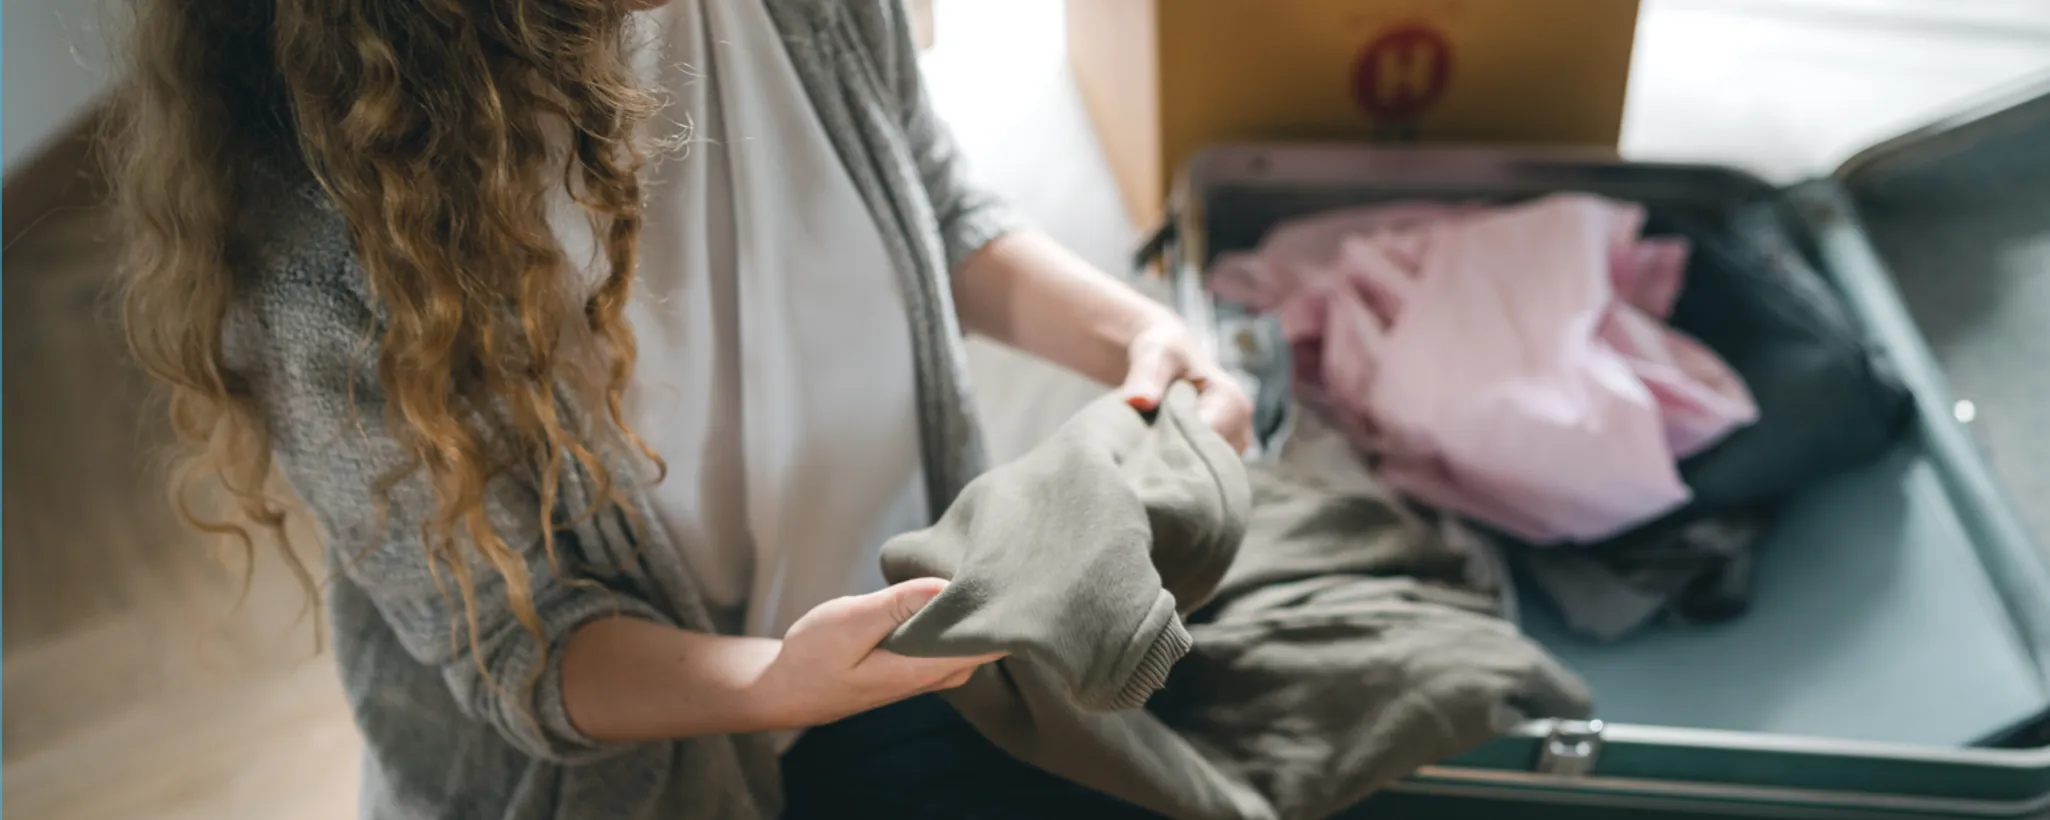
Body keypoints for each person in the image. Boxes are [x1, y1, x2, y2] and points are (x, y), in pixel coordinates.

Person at [113, 0, 1252, 818]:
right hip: (633, 771)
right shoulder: (325, 249)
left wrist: (1137, 337)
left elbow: (929, 192)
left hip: (913, 669)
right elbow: (528, 647)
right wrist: (774, 684)